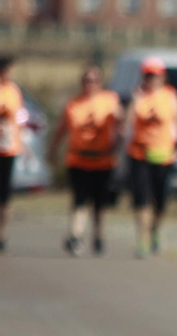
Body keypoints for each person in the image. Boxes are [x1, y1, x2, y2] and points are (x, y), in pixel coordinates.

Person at [48, 65, 123, 256]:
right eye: (87, 80)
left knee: (100, 203)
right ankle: (76, 236)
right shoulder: (73, 104)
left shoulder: (110, 101)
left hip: (103, 161)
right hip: (78, 159)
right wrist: (53, 150)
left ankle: (98, 235)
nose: (90, 84)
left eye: (94, 80)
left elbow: (121, 125)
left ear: (100, 83)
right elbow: (61, 129)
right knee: (79, 199)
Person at [123, 56, 177, 259]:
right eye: (148, 75)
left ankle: (155, 230)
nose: (151, 79)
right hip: (139, 154)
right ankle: (142, 239)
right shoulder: (138, 96)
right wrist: (132, 104)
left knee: (160, 202)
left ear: (163, 77)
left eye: (155, 75)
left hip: (164, 156)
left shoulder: (171, 97)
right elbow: (127, 124)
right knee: (142, 200)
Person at [0, 55, 23, 253]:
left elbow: (19, 117)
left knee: (5, 194)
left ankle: (2, 235)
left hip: (8, 149)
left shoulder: (14, 91)